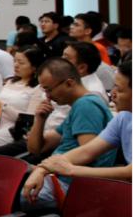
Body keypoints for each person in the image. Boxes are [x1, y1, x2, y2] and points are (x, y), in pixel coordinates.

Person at [21, 58, 116, 208]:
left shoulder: (86, 106)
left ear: (69, 83)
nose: (48, 96)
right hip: (57, 176)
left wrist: (43, 169)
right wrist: (39, 119)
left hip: (71, 185)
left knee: (1, 193)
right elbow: (35, 149)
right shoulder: (78, 106)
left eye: (49, 89)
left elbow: (87, 155)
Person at [0, 47, 46, 153]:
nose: (16, 65)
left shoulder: (37, 89)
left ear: (34, 67)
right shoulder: (10, 82)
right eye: (15, 61)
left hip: (13, 131)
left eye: (21, 63)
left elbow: (28, 121)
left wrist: (2, 105)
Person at [70, 11, 116, 91]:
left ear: (88, 31)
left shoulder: (97, 48)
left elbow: (104, 72)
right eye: (73, 24)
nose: (71, 27)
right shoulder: (73, 48)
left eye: (76, 25)